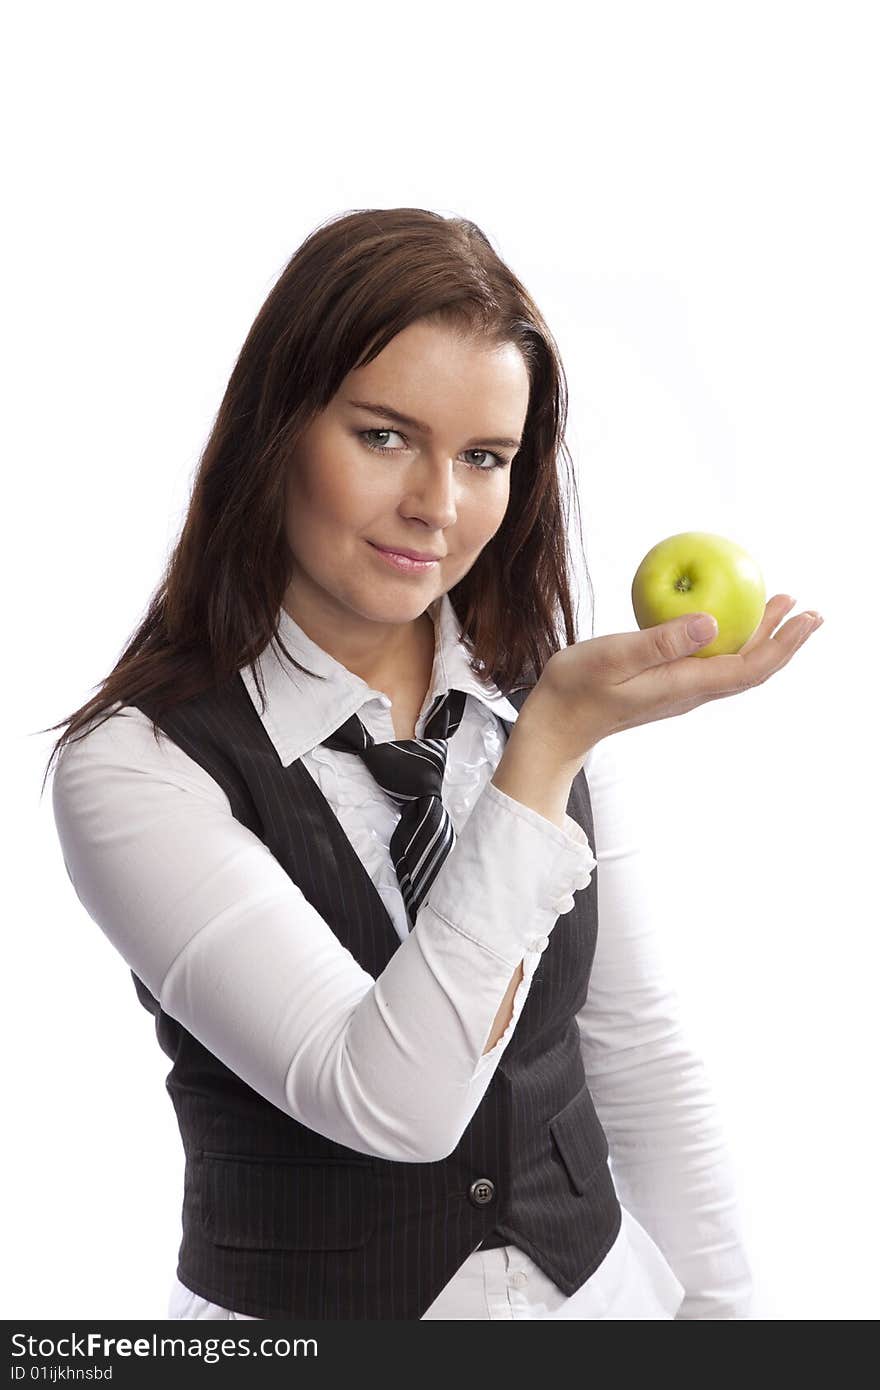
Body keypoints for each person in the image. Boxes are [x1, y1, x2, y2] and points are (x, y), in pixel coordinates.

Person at [42, 208, 821, 1321]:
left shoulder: (541, 694)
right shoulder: (136, 765)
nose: (437, 508)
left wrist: (727, 1319)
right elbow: (389, 1102)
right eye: (383, 437)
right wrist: (545, 749)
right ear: (277, 430)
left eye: (484, 457)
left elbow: (637, 1049)